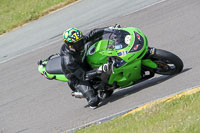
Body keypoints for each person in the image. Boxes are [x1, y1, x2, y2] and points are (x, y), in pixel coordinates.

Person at [60, 27, 109, 108]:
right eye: (77, 43)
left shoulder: (79, 41)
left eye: (81, 40)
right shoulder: (69, 61)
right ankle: (86, 93)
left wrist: (110, 29)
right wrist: (99, 70)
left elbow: (92, 33)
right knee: (94, 101)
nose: (81, 43)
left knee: (99, 39)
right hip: (78, 77)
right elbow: (84, 75)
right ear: (70, 45)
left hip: (83, 62)